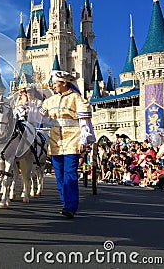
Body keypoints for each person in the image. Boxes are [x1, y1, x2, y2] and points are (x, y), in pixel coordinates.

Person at [39, 70, 95, 218]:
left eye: (55, 83)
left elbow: (84, 122)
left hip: (72, 139)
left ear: (64, 83)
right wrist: (30, 101)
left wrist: (83, 139)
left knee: (70, 173)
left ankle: (71, 206)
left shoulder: (76, 98)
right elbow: (40, 116)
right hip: (55, 140)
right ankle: (65, 204)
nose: (53, 86)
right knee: (59, 175)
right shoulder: (50, 100)